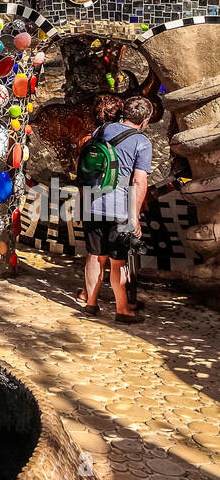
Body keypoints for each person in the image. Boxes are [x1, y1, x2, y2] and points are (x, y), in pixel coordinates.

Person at [82, 96, 153, 323]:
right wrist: (135, 218)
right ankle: (122, 310)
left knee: (94, 256)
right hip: (120, 209)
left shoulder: (101, 130)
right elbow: (139, 182)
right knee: (117, 261)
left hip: (92, 203)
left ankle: (91, 304)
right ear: (145, 120)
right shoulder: (142, 142)